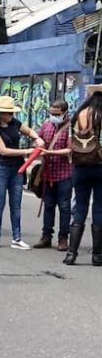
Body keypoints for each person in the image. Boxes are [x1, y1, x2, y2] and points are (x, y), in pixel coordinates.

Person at [0, 95, 44, 249]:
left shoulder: (15, 123)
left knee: (16, 204)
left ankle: (16, 238)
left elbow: (29, 131)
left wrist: (37, 137)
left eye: (11, 113)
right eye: (7, 113)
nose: (10, 116)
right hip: (0, 168)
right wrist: (27, 151)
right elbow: (3, 151)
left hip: (17, 168)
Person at [65, 84, 102, 266]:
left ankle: (71, 254)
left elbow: (72, 140)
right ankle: (97, 256)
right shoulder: (100, 115)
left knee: (79, 207)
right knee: (99, 208)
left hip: (80, 165)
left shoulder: (79, 114)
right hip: (99, 166)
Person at [33, 99, 73, 251]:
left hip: (64, 174)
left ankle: (63, 238)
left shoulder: (71, 128)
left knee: (64, 207)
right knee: (48, 205)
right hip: (48, 173)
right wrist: (38, 143)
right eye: (51, 113)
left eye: (57, 114)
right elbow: (39, 139)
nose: (53, 116)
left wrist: (50, 152)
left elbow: (70, 149)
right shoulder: (46, 125)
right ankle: (46, 236)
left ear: (65, 113)